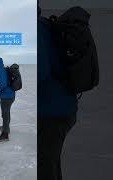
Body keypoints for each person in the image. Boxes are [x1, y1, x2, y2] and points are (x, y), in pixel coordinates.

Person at [38, 5, 78, 180]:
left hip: (50, 113)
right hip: (61, 107)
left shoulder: (35, 29)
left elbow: (40, 72)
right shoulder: (45, 25)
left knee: (45, 168)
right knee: (50, 164)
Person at [0, 57, 15, 142]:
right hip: (10, 95)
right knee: (6, 113)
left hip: (6, 97)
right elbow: (4, 81)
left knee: (5, 115)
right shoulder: (3, 69)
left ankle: (5, 135)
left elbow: (3, 84)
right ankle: (5, 128)